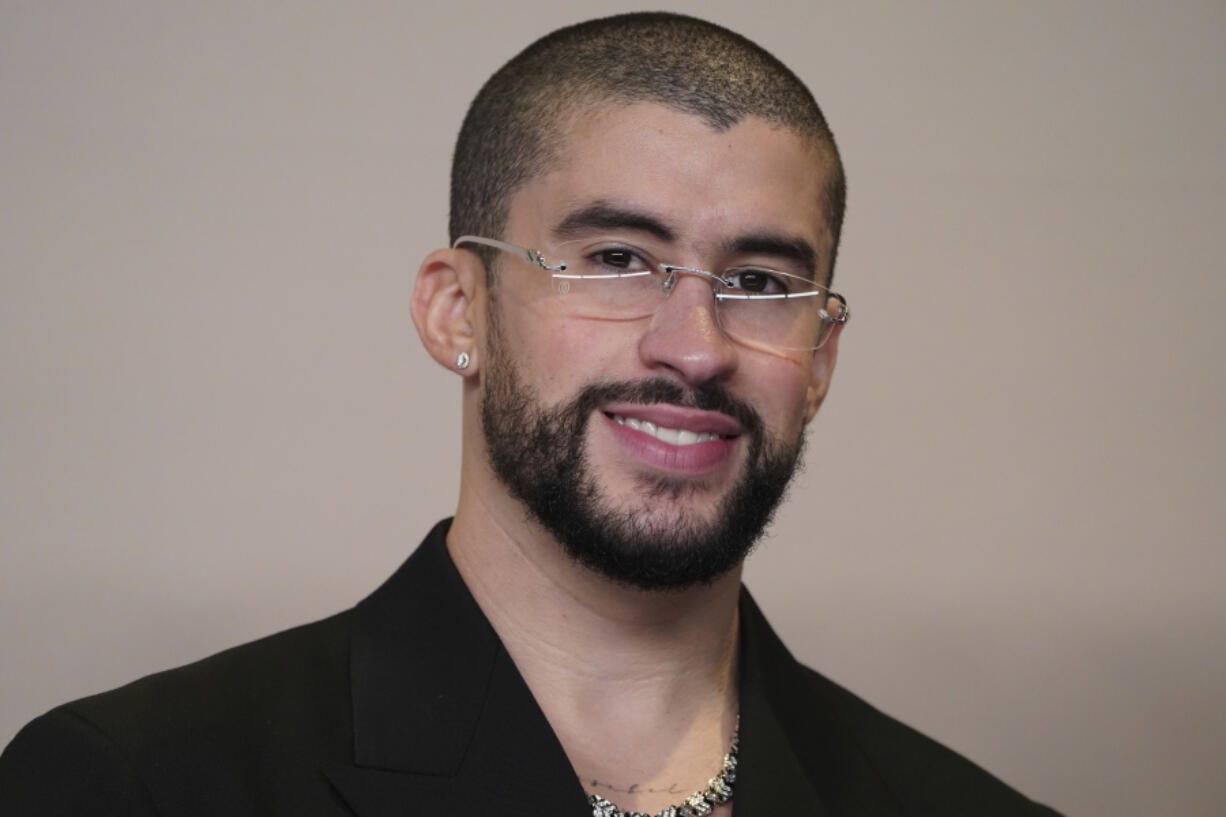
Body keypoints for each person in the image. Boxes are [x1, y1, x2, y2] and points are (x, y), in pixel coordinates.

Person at [0, 12, 1060, 817]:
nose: (693, 346)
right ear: (457, 309)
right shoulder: (130, 782)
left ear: (818, 357)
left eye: (758, 281)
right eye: (613, 261)